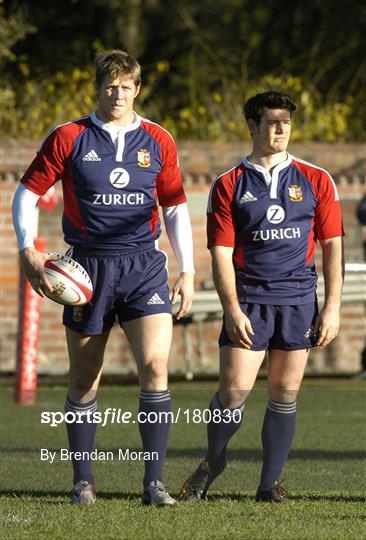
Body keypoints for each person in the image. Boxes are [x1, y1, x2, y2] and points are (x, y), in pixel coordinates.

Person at [12, 49, 195, 506]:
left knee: (155, 367)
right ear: (99, 87)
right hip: (87, 269)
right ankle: (83, 482)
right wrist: (27, 251)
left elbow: (174, 208)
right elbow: (26, 194)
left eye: (126, 87)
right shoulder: (69, 136)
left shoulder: (158, 140)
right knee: (84, 379)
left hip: (143, 266)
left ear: (137, 89)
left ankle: (154, 483)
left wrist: (187, 269)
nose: (118, 94)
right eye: (110, 86)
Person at [179, 90, 344, 503]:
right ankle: (213, 460)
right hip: (249, 299)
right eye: (272, 122)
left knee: (284, 393)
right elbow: (219, 254)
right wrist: (231, 309)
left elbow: (332, 246)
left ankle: (269, 483)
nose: (281, 129)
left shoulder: (317, 179)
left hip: (298, 300)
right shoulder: (229, 183)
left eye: (286, 121)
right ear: (252, 126)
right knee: (233, 390)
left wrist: (332, 307)